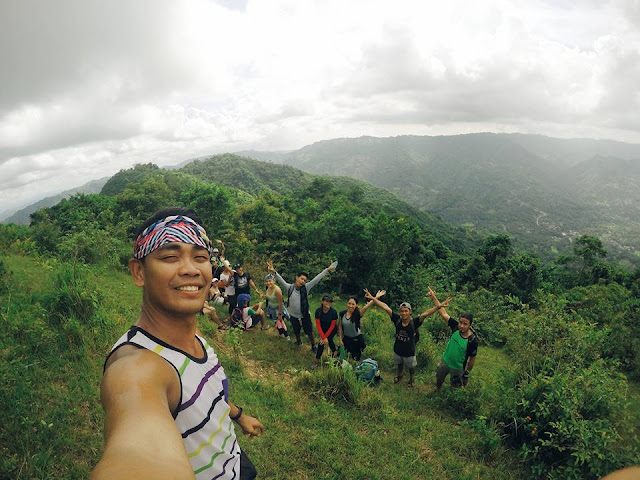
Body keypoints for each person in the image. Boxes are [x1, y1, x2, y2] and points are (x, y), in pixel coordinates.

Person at [91, 208, 264, 480]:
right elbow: (136, 450)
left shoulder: (195, 340)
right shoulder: (139, 366)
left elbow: (208, 392)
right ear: (139, 273)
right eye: (170, 257)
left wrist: (239, 416)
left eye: (200, 257)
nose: (190, 269)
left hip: (234, 461)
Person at [364, 288, 443, 388]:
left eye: (406, 311)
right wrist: (373, 298)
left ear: (410, 312)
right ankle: (399, 375)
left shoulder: (414, 322)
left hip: (410, 350)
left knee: (411, 366)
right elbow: (385, 307)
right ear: (400, 312)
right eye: (402, 311)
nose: (404, 313)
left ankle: (411, 379)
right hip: (398, 348)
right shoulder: (397, 319)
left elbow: (426, 313)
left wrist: (438, 307)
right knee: (399, 363)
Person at [267, 260, 337, 353]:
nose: (303, 281)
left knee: (309, 331)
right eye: (301, 279)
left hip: (304, 314)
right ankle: (298, 341)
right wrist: (274, 272)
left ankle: (313, 345)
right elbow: (281, 280)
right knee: (296, 330)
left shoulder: (306, 288)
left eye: (305, 280)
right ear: (296, 278)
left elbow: (316, 280)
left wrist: (327, 270)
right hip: (293, 314)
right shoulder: (289, 288)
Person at [427, 287, 478, 390]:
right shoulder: (455, 327)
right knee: (439, 379)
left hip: (458, 368)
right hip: (445, 362)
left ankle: (452, 402)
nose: (462, 326)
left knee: (456, 387)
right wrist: (433, 297)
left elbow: (472, 359)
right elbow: (443, 313)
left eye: (465, 324)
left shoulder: (472, 340)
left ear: (470, 325)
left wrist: (467, 373)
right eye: (461, 322)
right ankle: (437, 392)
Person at [338, 292, 383, 361]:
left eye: (353, 304)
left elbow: (366, 307)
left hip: (357, 339)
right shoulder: (342, 314)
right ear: (347, 303)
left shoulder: (357, 314)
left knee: (356, 359)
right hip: (346, 338)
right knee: (341, 356)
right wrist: (340, 339)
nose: (350, 306)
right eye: (349, 303)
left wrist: (376, 297)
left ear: (356, 305)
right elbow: (340, 327)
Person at [233, 263, 267, 329]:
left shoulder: (246, 275)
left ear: (241, 268)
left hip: (246, 294)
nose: (238, 269)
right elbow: (228, 270)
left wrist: (257, 291)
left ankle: (244, 319)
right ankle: (250, 322)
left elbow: (251, 283)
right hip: (239, 296)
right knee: (255, 311)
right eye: (236, 269)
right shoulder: (235, 275)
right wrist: (259, 306)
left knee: (245, 309)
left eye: (239, 268)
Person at [314, 295, 339, 364]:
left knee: (329, 340)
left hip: (332, 329)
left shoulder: (333, 312)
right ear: (322, 302)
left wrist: (325, 337)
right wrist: (323, 337)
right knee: (321, 343)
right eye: (326, 301)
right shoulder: (318, 311)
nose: (328, 303)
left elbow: (332, 325)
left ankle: (334, 352)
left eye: (330, 302)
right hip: (323, 329)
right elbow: (318, 325)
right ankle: (317, 360)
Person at [264, 273, 288, 338]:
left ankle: (286, 336)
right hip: (271, 308)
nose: (268, 283)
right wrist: (264, 296)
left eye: (270, 281)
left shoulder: (277, 290)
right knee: (276, 322)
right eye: (267, 281)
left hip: (278, 309)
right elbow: (269, 297)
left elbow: (280, 303)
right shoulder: (268, 288)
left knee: (280, 322)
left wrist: (280, 314)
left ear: (274, 281)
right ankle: (281, 334)